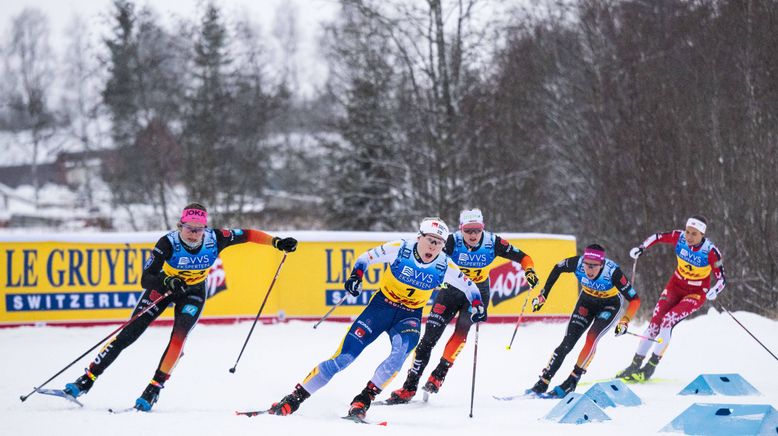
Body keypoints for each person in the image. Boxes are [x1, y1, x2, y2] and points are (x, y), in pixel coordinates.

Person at [62, 202, 298, 411]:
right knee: (128, 334)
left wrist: (276, 242)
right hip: (163, 288)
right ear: (180, 226)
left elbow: (247, 234)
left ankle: (153, 389)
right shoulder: (168, 242)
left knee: (178, 339)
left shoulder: (217, 238)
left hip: (193, 293)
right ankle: (87, 379)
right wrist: (167, 281)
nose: (194, 235)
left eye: (198, 230)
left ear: (205, 229)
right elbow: (146, 278)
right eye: (189, 229)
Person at [265, 217, 485, 420]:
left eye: (438, 243)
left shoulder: (444, 264)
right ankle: (294, 398)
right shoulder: (401, 248)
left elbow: (469, 286)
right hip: (381, 308)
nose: (433, 247)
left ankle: (363, 400)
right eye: (430, 240)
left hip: (409, 316)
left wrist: (477, 305)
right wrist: (356, 276)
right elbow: (365, 258)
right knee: (344, 358)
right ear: (420, 237)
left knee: (398, 357)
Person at [387, 208, 539, 404]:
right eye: (468, 231)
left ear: (482, 228)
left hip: (477, 294)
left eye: (477, 230)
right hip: (451, 291)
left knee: (461, 331)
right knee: (428, 339)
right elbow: (429, 257)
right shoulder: (450, 241)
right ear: (461, 230)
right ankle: (409, 387)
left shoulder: (493, 242)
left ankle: (439, 375)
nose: (473, 235)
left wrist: (529, 271)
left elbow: (524, 257)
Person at [616, 215, 726, 381]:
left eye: (694, 234)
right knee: (654, 323)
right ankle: (634, 364)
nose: (689, 236)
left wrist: (715, 290)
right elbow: (658, 237)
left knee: (667, 321)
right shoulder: (680, 237)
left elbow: (722, 279)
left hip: (695, 293)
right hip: (675, 286)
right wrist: (642, 248)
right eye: (688, 231)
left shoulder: (711, 252)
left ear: (702, 234)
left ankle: (650, 367)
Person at [526, 244, 640, 398]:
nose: (589, 270)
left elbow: (635, 299)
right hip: (586, 302)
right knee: (567, 343)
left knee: (591, 339)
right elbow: (557, 268)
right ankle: (543, 381)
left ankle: (572, 381)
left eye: (594, 266)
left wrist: (625, 321)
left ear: (601, 264)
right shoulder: (577, 264)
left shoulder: (613, 272)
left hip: (609, 306)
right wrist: (544, 295)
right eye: (587, 265)